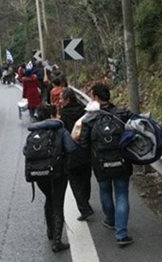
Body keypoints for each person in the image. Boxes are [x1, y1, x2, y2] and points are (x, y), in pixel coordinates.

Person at [79, 83, 135, 247]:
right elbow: (136, 131)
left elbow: (83, 143)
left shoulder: (90, 118)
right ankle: (121, 234)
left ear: (95, 97)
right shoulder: (123, 113)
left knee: (105, 190)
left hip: (100, 164)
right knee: (122, 194)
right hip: (122, 162)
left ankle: (110, 220)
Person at [25, 104, 78, 252]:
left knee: (49, 198)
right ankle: (57, 241)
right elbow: (71, 148)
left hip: (39, 175)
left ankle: (50, 231)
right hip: (58, 173)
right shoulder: (59, 130)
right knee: (58, 203)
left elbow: (25, 151)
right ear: (52, 115)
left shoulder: (33, 132)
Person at [59, 87, 94, 221]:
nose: (60, 101)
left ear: (68, 99)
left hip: (71, 152)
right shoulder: (82, 110)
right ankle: (86, 200)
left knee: (74, 181)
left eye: (62, 98)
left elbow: (65, 133)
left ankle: (84, 207)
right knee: (86, 177)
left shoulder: (64, 114)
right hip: (85, 149)